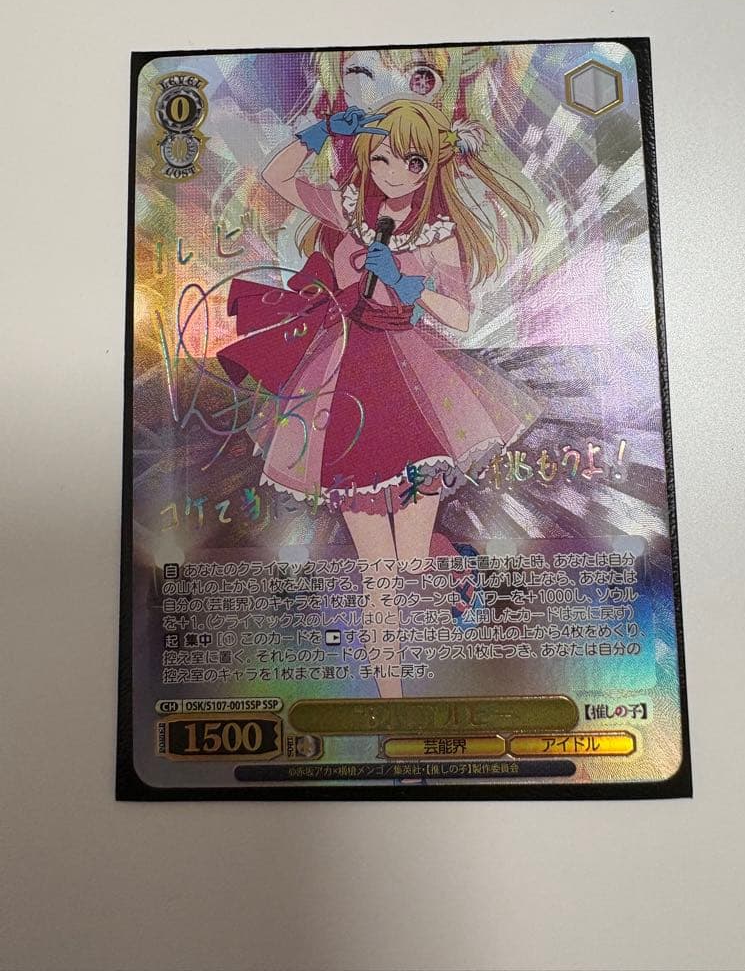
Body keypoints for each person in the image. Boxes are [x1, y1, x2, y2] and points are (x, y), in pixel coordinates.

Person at [217, 99, 542, 696]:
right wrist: (321, 130)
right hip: (343, 390)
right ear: (366, 155)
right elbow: (276, 176)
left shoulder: (438, 234)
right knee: (379, 573)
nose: (394, 173)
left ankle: (451, 563)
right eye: (382, 158)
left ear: (430, 168)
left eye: (412, 162)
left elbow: (459, 316)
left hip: (412, 388)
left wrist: (403, 281)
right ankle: (390, 697)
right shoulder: (346, 208)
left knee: (411, 563)